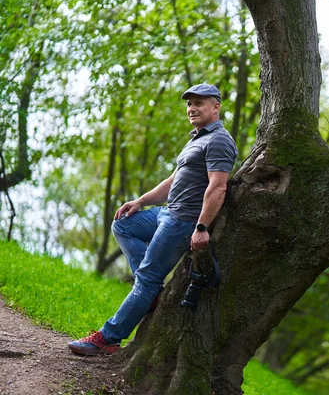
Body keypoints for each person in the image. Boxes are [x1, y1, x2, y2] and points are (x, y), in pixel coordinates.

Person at [68, 83, 238, 356]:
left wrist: (202, 227)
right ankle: (151, 293)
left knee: (147, 278)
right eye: (189, 104)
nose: (192, 108)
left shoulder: (219, 140)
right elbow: (173, 181)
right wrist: (141, 201)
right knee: (123, 223)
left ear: (215, 107)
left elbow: (218, 188)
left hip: (183, 221)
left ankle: (108, 338)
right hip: (167, 212)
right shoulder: (197, 138)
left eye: (199, 103)